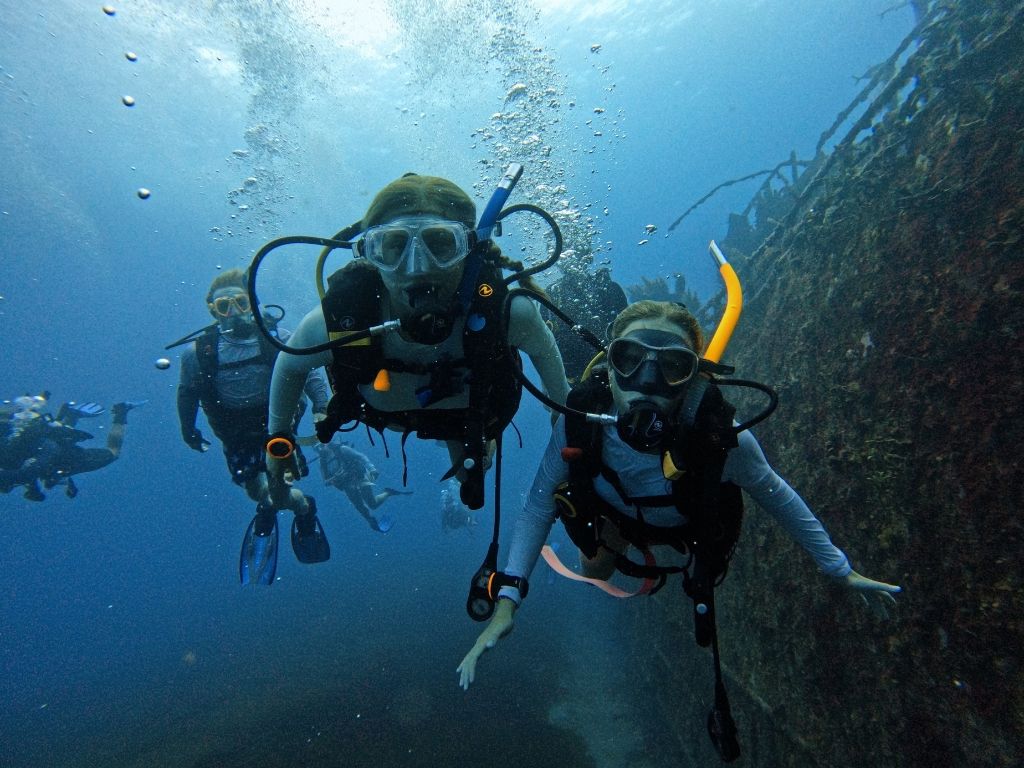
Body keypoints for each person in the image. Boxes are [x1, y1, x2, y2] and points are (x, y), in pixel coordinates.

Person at [457, 301, 901, 708]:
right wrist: (507, 601)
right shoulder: (579, 426)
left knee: (700, 564)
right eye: (630, 360)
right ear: (609, 366)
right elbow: (538, 506)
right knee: (595, 570)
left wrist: (839, 568)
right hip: (613, 516)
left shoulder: (723, 442)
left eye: (672, 366)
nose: (647, 382)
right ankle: (611, 547)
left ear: (693, 376)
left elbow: (778, 497)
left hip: (686, 522)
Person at [263, 172, 569, 512]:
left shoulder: (510, 313)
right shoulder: (342, 319)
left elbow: (548, 358)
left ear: (471, 247)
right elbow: (290, 364)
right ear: (368, 254)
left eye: (440, 244)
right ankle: (470, 445)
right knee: (471, 467)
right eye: (394, 246)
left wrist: (564, 418)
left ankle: (470, 446)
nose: (417, 267)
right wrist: (279, 439)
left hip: (467, 412)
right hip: (396, 410)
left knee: (471, 479)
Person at [176, 268, 333, 585]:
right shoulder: (198, 353)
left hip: (277, 425)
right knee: (255, 489)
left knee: (278, 480)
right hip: (234, 434)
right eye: (224, 307)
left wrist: (321, 406)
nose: (233, 313)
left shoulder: (277, 339)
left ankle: (291, 505)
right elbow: (187, 391)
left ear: (253, 305)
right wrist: (187, 428)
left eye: (240, 304)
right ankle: (297, 506)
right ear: (212, 310)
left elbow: (309, 371)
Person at [1, 394, 142, 501]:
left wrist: (34, 486)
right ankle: (70, 416)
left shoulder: (12, 460)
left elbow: (30, 470)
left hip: (61, 456)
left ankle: (121, 412)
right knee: (56, 439)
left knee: (113, 452)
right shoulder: (13, 443)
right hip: (50, 448)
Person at [544, 248, 627, 383]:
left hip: (614, 371)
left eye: (572, 250)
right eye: (563, 252)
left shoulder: (609, 289)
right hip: (573, 378)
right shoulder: (551, 295)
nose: (567, 258)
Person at [315, 439, 409, 532]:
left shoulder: (342, 449)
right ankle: (370, 519)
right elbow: (325, 482)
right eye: (316, 448)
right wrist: (335, 477)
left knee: (372, 504)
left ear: (327, 442)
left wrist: (372, 468)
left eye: (321, 445)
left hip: (359, 476)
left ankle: (388, 492)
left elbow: (361, 456)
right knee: (359, 506)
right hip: (346, 484)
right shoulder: (322, 462)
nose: (320, 449)